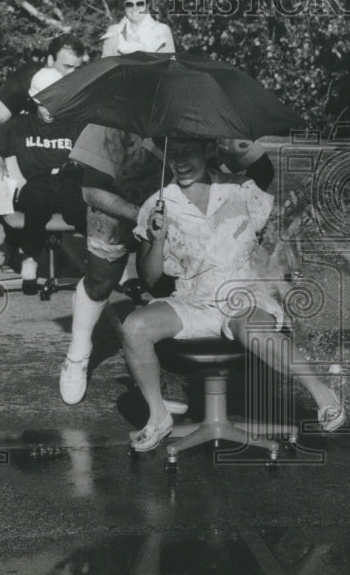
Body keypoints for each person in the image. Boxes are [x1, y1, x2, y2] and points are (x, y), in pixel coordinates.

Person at [121, 135, 345, 451]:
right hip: (194, 299)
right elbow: (148, 279)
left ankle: (322, 393)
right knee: (134, 326)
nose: (181, 161)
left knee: (250, 328)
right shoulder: (156, 205)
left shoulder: (241, 189)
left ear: (208, 149)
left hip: (244, 292)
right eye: (174, 154)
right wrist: (156, 240)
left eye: (189, 150)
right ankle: (158, 416)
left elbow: (277, 230)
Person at [60, 126, 276, 406]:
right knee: (101, 279)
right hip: (122, 205)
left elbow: (262, 170)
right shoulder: (112, 121)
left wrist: (238, 217)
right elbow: (91, 192)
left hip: (186, 200)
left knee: (176, 282)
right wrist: (147, 217)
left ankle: (170, 370)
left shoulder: (201, 110)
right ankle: (78, 352)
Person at [0, 68, 87, 292]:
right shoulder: (22, 124)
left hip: (68, 179)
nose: (48, 109)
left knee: (80, 205)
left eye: (54, 102)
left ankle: (102, 262)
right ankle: (30, 258)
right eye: (43, 103)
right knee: (38, 199)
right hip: (37, 182)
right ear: (34, 102)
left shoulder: (74, 123)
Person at [101, 0, 175, 57]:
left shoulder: (162, 30)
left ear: (147, 6)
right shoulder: (114, 31)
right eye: (129, 4)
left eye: (140, 4)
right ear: (125, 8)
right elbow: (106, 65)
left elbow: (171, 63)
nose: (134, 8)